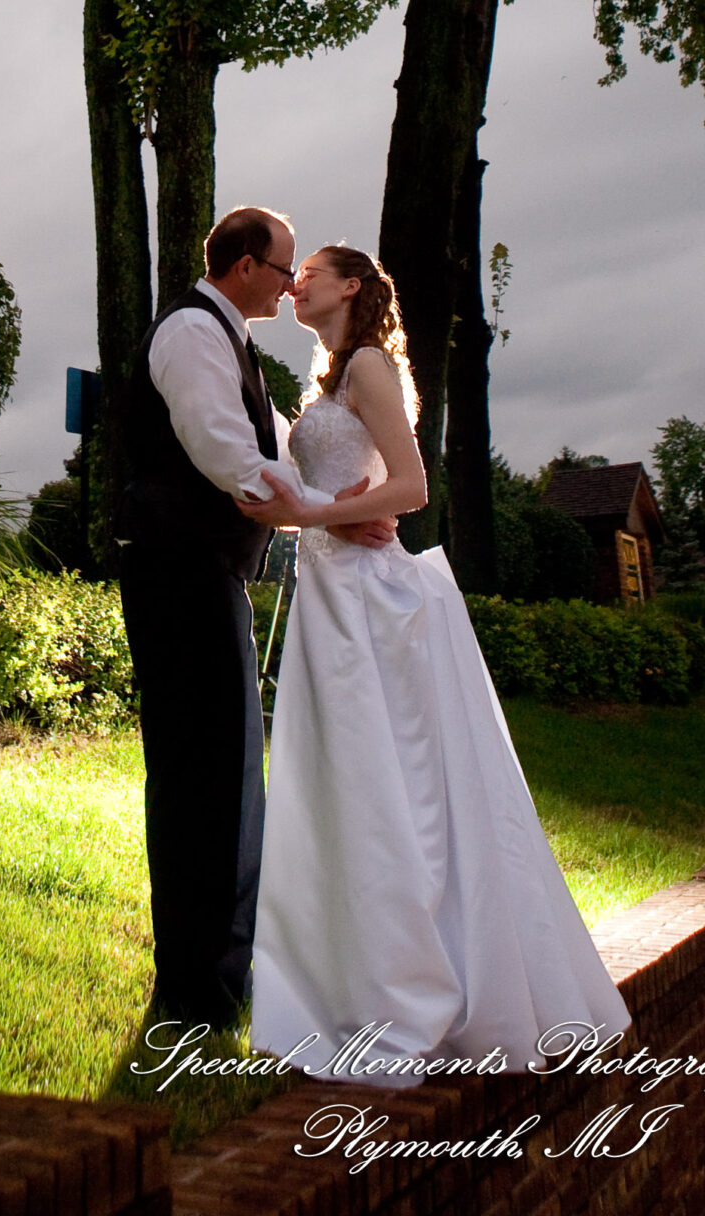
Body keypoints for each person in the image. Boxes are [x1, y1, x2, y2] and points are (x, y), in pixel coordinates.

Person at [239, 243, 629, 1087]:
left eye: (308, 272)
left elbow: (412, 488)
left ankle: (420, 982)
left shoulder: (371, 365)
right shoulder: (327, 382)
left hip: (372, 601)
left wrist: (321, 513)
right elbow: (349, 488)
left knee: (397, 788)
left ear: (350, 286)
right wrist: (312, 512)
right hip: (331, 593)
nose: (293, 280)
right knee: (347, 786)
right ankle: (354, 971)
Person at [116, 206, 393, 1030]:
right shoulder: (192, 335)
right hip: (175, 572)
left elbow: (271, 440)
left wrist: (336, 498)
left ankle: (222, 972)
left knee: (227, 771)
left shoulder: (228, 339)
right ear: (244, 266)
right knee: (201, 775)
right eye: (282, 271)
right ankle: (198, 989)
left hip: (204, 575)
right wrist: (325, 515)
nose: (287, 284)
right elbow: (227, 455)